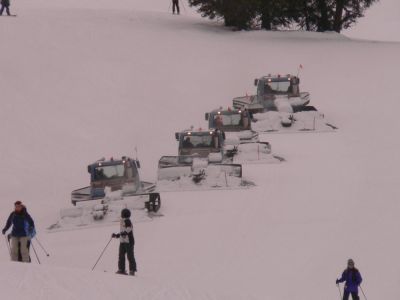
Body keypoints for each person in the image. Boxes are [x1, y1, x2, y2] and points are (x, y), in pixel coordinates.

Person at [112, 208, 137, 276]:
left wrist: (125, 233)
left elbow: (129, 228)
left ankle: (132, 270)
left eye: (122, 214)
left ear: (124, 214)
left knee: (130, 256)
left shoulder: (128, 220)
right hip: (123, 241)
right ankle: (121, 269)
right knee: (121, 255)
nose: (121, 215)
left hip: (129, 241)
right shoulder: (122, 221)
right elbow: (122, 231)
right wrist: (117, 235)